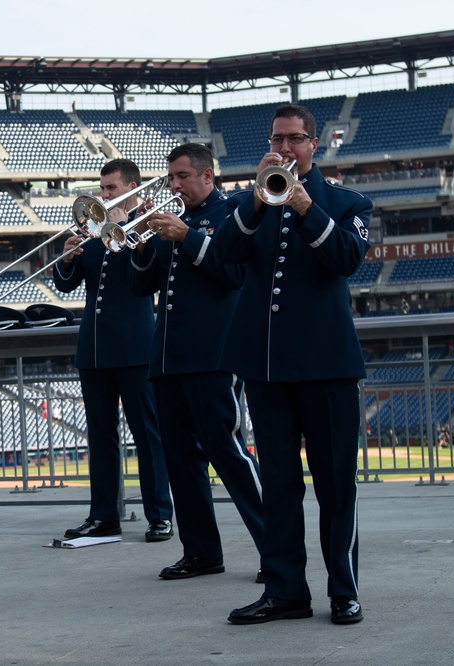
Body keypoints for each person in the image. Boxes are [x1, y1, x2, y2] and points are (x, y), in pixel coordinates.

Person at [217, 105, 371, 625]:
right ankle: (285, 591)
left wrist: (306, 208)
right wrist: (257, 204)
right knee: (279, 486)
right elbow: (223, 254)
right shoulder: (249, 203)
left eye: (294, 140)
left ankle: (343, 589)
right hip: (268, 367)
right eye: (276, 139)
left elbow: (346, 259)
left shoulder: (346, 203)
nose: (283, 149)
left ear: (314, 145)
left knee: (335, 485)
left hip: (327, 366)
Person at [127, 143, 264, 581]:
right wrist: (142, 237)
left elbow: (233, 274)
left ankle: (275, 546)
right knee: (181, 460)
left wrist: (188, 237)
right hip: (168, 358)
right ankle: (202, 551)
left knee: (229, 454)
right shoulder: (175, 222)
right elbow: (140, 285)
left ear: (208, 176)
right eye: (171, 178)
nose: (175, 185)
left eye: (183, 177)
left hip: (213, 355)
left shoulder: (231, 215)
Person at [52, 158, 173, 542]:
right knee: (100, 437)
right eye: (102, 188)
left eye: (111, 189)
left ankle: (160, 513)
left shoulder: (147, 227)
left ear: (132, 189)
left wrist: (124, 230)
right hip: (94, 348)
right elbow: (67, 284)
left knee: (147, 435)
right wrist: (69, 255)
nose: (103, 195)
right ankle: (104, 515)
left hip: (136, 346)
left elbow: (145, 281)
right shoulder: (90, 229)